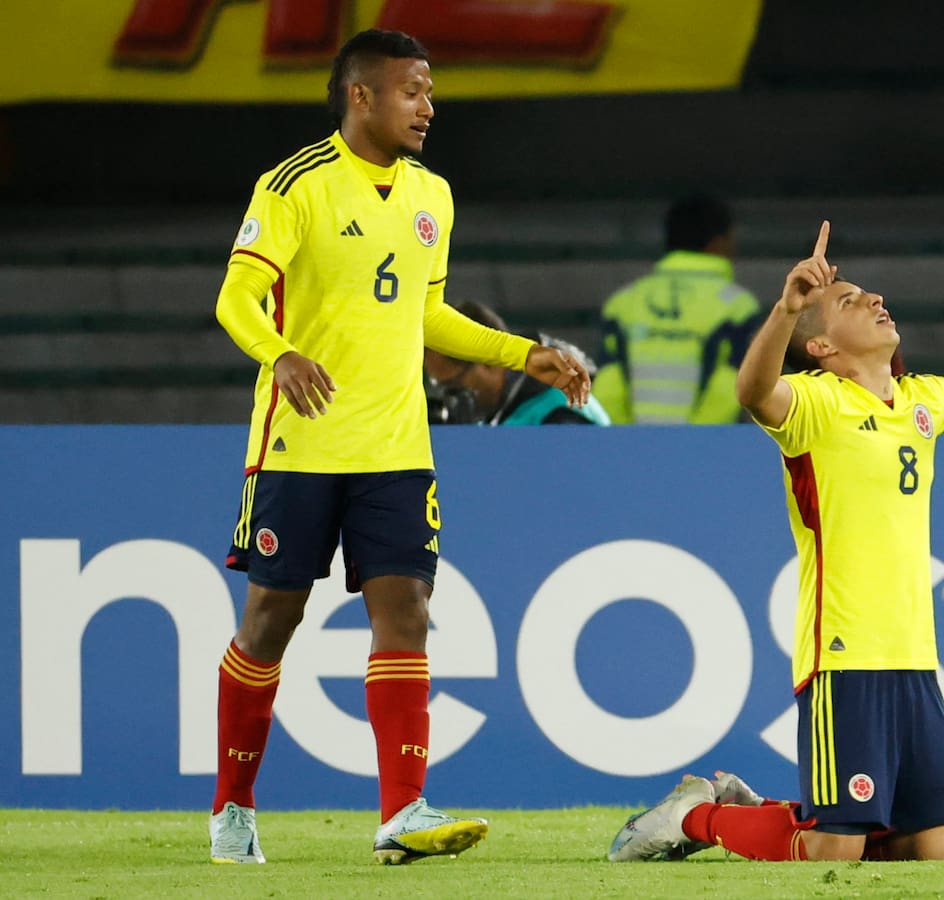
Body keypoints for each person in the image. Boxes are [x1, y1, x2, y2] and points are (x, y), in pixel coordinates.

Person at [608, 217, 944, 863]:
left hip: (914, 655)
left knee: (926, 847)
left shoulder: (922, 403)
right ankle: (698, 818)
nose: (874, 300)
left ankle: (768, 815)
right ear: (823, 348)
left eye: (870, 294)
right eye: (848, 301)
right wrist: (785, 310)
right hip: (843, 656)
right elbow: (751, 391)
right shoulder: (814, 405)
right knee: (837, 848)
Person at [209, 29, 590, 866]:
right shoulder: (293, 186)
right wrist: (282, 352)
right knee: (273, 619)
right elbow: (235, 301)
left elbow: (430, 316)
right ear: (361, 95)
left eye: (430, 91)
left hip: (397, 446)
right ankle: (233, 806)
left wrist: (519, 351)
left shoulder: (433, 195)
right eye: (413, 90)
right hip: (299, 447)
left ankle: (402, 810)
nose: (428, 106)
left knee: (406, 614)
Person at [591, 194, 761, 424]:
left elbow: (609, 382)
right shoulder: (738, 306)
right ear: (719, 242)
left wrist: (623, 440)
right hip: (697, 448)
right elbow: (730, 384)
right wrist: (690, 443)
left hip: (632, 447)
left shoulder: (624, 301)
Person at [424, 300, 611, 425]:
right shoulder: (507, 414)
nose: (449, 399)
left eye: (453, 385)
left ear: (488, 361)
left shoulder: (558, 413)